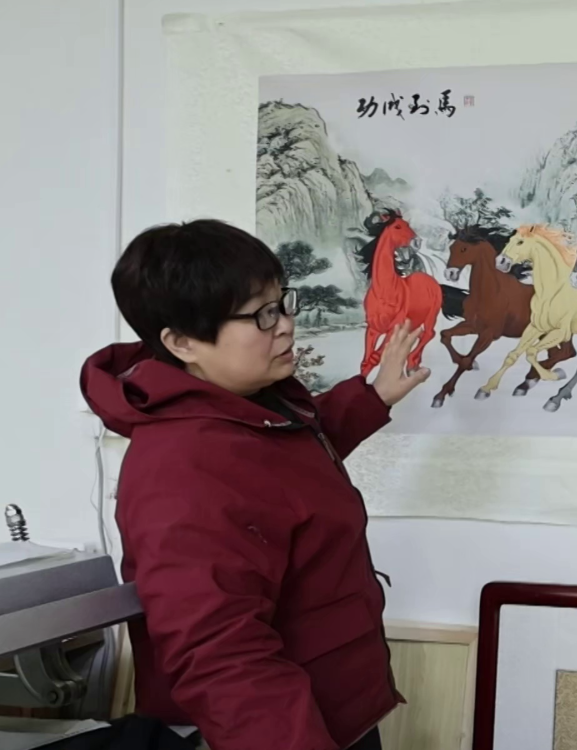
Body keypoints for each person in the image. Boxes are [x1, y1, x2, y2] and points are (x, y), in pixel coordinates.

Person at [80, 219, 432, 750]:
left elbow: (283, 468)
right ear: (182, 342)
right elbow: (221, 655)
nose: (286, 325)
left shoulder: (247, 410)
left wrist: (371, 397)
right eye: (261, 315)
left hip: (335, 712)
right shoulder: (184, 467)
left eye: (281, 303)